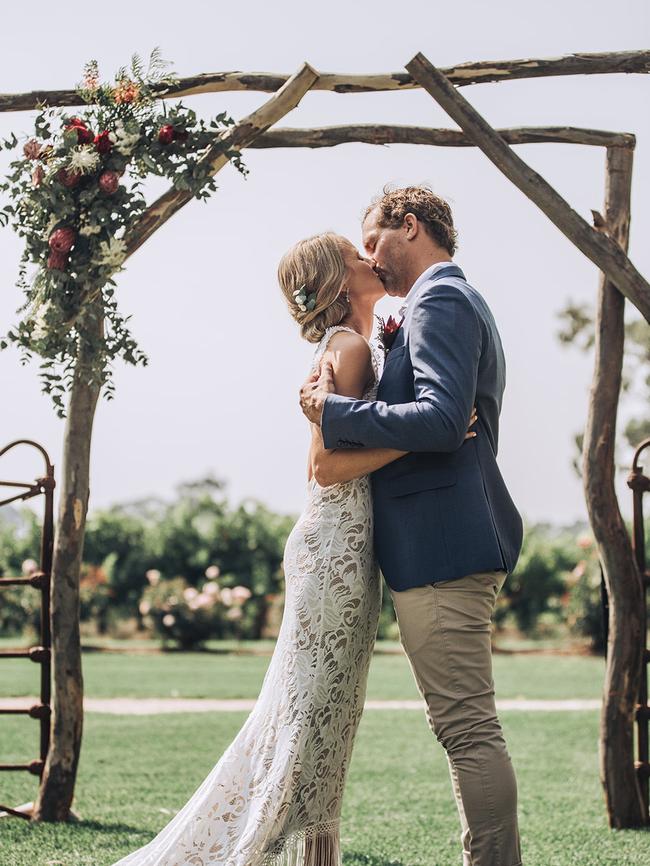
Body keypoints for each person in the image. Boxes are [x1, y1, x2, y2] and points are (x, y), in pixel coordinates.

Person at [111, 231, 476, 866]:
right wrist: (431, 438)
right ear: (339, 280)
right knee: (312, 715)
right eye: (355, 253)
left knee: (318, 712)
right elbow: (326, 465)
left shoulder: (351, 344)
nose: (370, 257)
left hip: (341, 548)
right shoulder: (353, 348)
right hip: (334, 549)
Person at [300, 187, 524, 866]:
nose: (370, 257)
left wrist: (331, 412)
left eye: (373, 241)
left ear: (410, 225)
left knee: (466, 730)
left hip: (443, 543)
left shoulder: (441, 299)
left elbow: (439, 420)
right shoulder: (433, 304)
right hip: (436, 541)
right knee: (465, 727)